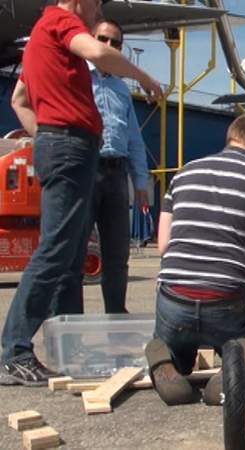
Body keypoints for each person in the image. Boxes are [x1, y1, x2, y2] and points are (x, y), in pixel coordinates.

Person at [1, 0, 162, 386]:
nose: (94, 20)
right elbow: (97, 52)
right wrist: (145, 77)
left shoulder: (44, 33)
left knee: (68, 250)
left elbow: (20, 100)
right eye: (96, 9)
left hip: (69, 147)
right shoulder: (60, 22)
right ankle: (14, 350)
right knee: (58, 251)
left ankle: (51, 345)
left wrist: (47, 137)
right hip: (71, 147)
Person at [145, 113, 245, 406]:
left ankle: (166, 359)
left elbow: (164, 246)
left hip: (174, 301)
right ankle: (233, 374)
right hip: (226, 302)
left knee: (174, 338)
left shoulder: (183, 174)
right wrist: (235, 264)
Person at [89, 19, 151, 313]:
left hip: (117, 173)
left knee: (117, 252)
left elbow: (134, 137)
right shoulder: (78, 78)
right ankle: (68, 320)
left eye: (115, 42)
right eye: (103, 39)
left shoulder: (121, 90)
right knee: (74, 251)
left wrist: (140, 182)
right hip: (85, 168)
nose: (109, 46)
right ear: (92, 39)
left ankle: (116, 314)